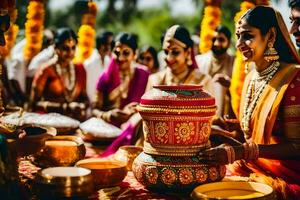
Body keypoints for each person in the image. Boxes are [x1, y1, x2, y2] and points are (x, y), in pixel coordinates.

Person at [198, 6, 300, 199]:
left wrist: (240, 152)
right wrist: (229, 132)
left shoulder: (293, 78)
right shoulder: (252, 77)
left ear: (270, 36)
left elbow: (297, 146)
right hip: (253, 166)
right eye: (238, 36)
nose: (239, 44)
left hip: (285, 174)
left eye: (247, 36)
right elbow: (255, 136)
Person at [92, 32, 150, 128]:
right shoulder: (105, 77)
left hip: (135, 128)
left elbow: (151, 107)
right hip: (108, 129)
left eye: (126, 53)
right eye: (116, 53)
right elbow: (94, 110)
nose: (120, 58)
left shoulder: (144, 75)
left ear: (135, 54)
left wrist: (136, 110)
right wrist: (108, 115)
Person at [30, 27, 88, 121]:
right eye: (65, 48)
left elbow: (84, 98)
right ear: (56, 48)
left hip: (74, 120)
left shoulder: (80, 69)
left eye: (73, 48)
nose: (70, 52)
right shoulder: (46, 69)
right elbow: (34, 103)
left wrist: (82, 106)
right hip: (50, 121)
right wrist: (65, 108)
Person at [196, 25, 235, 118]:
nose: (216, 43)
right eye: (213, 39)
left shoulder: (236, 63)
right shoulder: (199, 61)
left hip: (228, 113)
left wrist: (230, 84)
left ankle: (218, 121)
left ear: (229, 43)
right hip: (201, 109)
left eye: (221, 40)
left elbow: (240, 91)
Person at [84, 31, 113, 103]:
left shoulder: (108, 61)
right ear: (100, 44)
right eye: (106, 44)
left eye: (110, 44)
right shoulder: (89, 64)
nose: (109, 47)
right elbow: (88, 89)